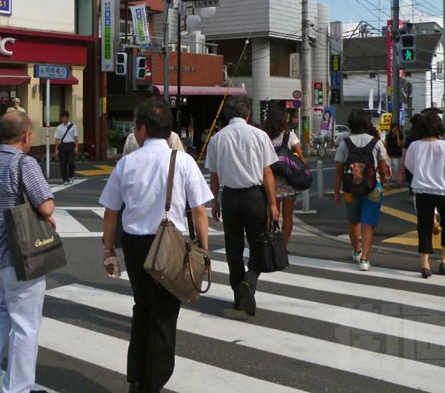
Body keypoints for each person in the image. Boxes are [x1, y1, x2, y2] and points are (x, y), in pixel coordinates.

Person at [99, 99, 211, 393]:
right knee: (164, 316)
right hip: (172, 245)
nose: (135, 132)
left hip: (135, 245)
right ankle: (153, 383)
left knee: (142, 309)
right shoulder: (182, 161)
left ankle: (136, 378)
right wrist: (204, 249)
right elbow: (199, 210)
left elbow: (111, 211)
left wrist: (109, 250)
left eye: (135, 127)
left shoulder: (126, 163)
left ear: (144, 129)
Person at [0, 111, 54, 393]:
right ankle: (17, 389)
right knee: (26, 326)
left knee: (0, 307)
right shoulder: (24, 163)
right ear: (26, 136)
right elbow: (46, 206)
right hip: (16, 254)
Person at [205, 96, 278, 317]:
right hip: (254, 196)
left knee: (233, 248)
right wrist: (273, 203)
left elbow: (214, 175)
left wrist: (215, 201)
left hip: (230, 197)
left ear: (227, 116)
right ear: (247, 115)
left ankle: (238, 295)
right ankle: (250, 280)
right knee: (259, 244)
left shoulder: (217, 139)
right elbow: (267, 172)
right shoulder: (259, 135)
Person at [333, 110, 392, 271]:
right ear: (367, 124)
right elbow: (382, 168)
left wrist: (336, 191)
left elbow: (339, 170)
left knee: (353, 221)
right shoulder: (376, 142)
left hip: (351, 188)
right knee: (368, 223)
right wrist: (384, 182)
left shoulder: (345, 143)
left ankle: (357, 251)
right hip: (373, 187)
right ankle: (365, 260)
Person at [406, 111, 445, 278]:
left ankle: (425, 264)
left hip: (422, 190)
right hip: (444, 190)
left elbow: (410, 166)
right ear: (439, 127)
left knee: (424, 227)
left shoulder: (415, 146)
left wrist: (423, 174)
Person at [262, 106, 303, 244]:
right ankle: (282, 247)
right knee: (287, 216)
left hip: (269, 180)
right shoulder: (290, 136)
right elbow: (301, 159)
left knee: (270, 214)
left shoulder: (263, 136)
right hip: (288, 182)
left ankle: (269, 243)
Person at [53, 111, 79, 184]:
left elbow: (76, 137)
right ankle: (65, 179)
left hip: (71, 145)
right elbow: (57, 139)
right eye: (62, 118)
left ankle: (71, 176)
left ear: (67, 118)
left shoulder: (73, 126)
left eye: (65, 117)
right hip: (63, 145)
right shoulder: (59, 127)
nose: (63, 119)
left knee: (71, 162)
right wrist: (56, 149)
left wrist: (76, 146)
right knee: (63, 163)